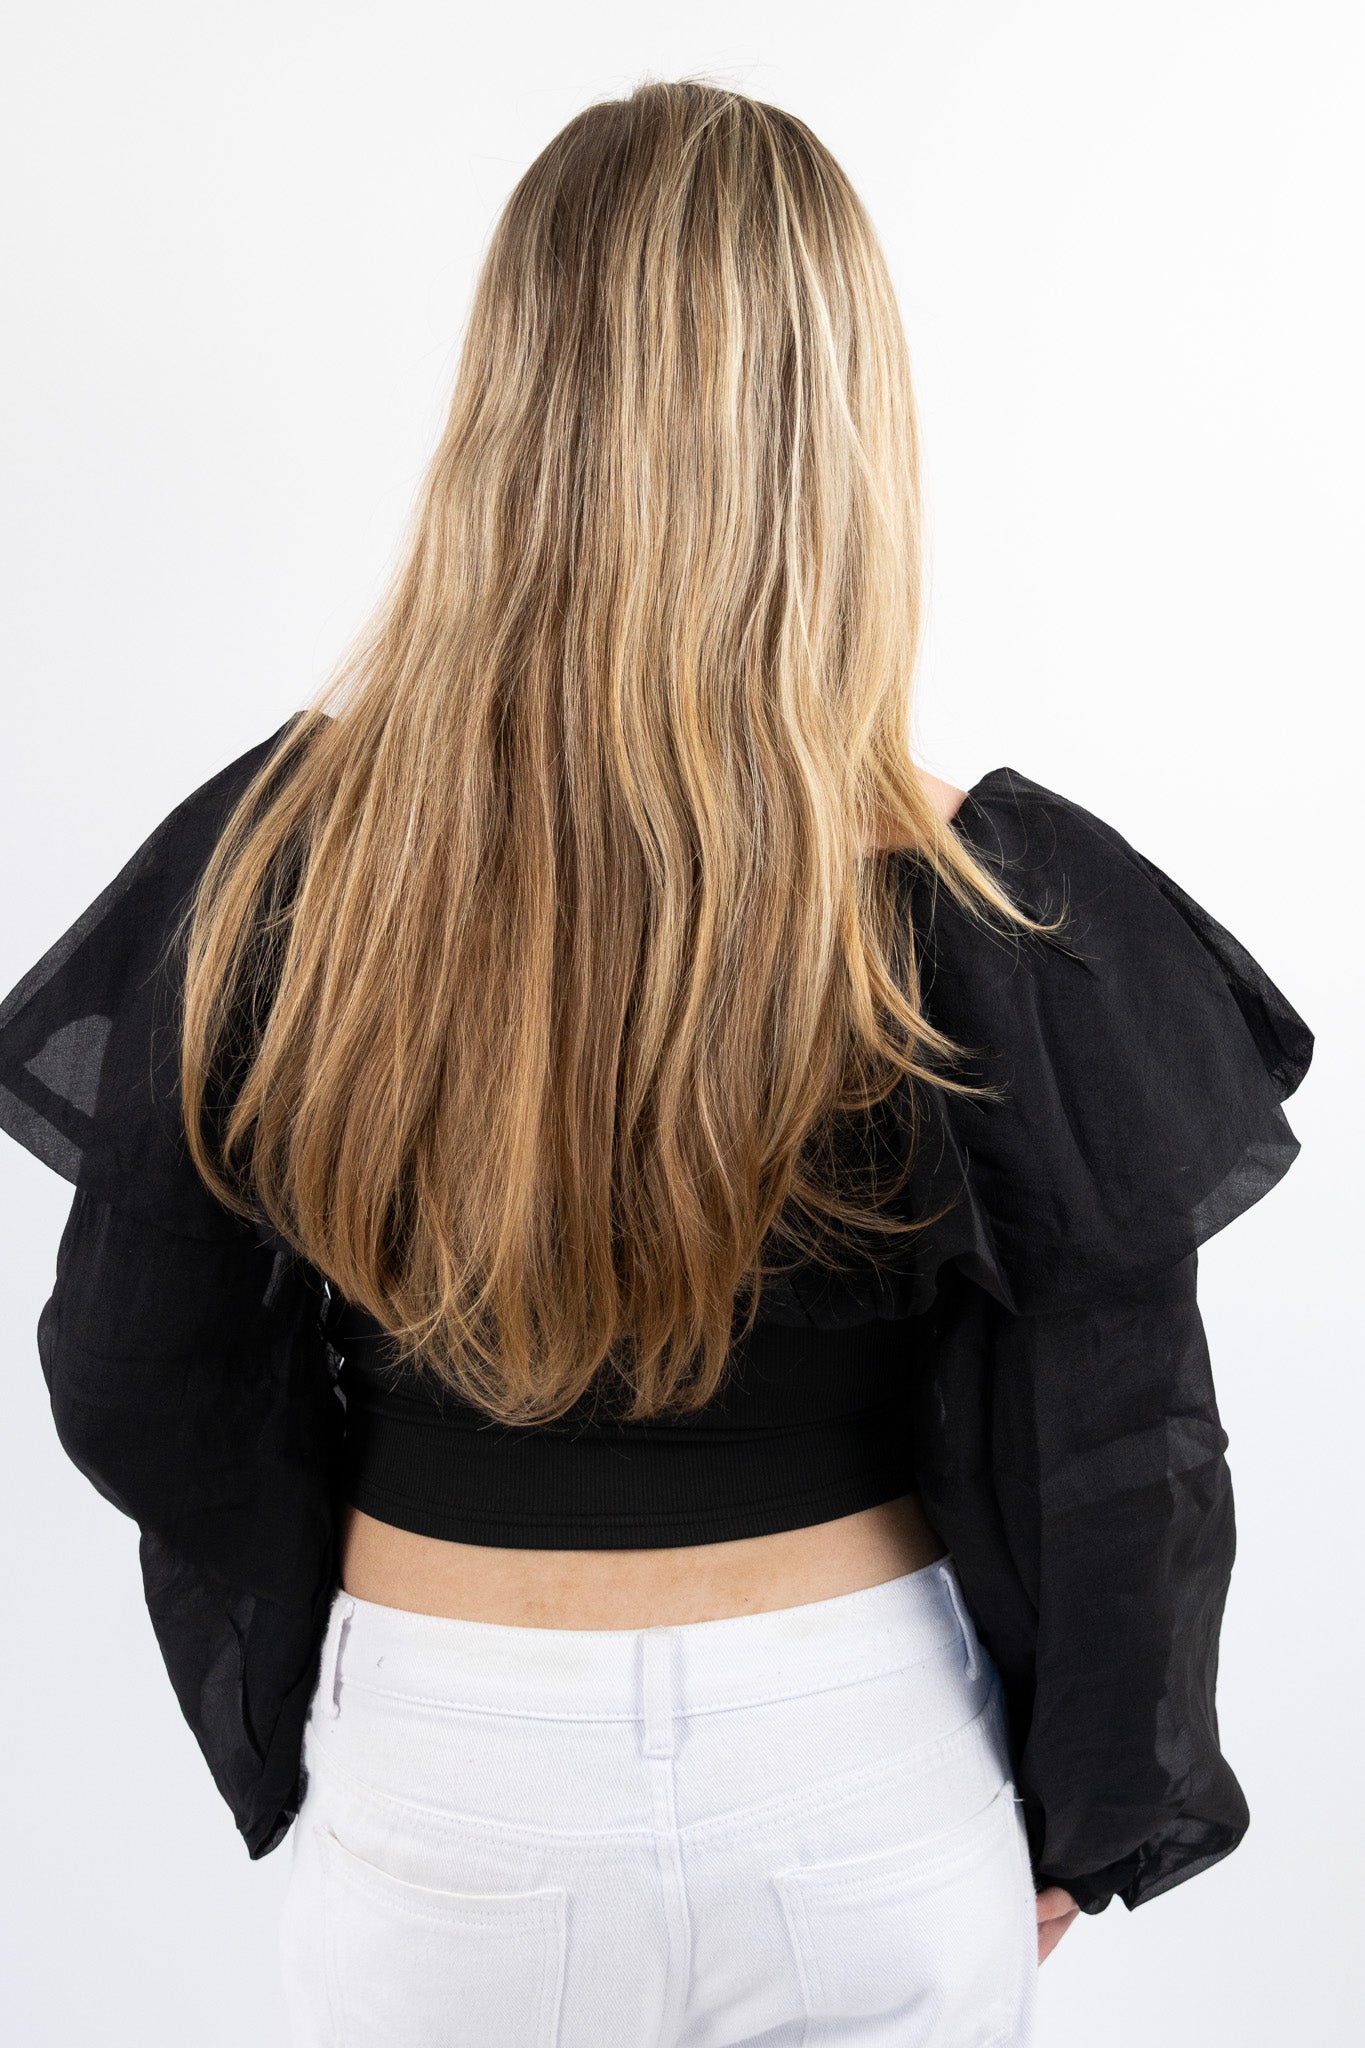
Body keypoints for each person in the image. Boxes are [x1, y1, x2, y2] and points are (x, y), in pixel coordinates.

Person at [0, 79, 1312, 2048]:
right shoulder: (987, 906)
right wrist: (1089, 1811)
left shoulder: (289, 868)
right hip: (852, 1764)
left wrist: (351, 1614)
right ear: (838, 438)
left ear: (508, 409)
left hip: (447, 1757)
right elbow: (1121, 1442)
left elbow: (132, 1365)